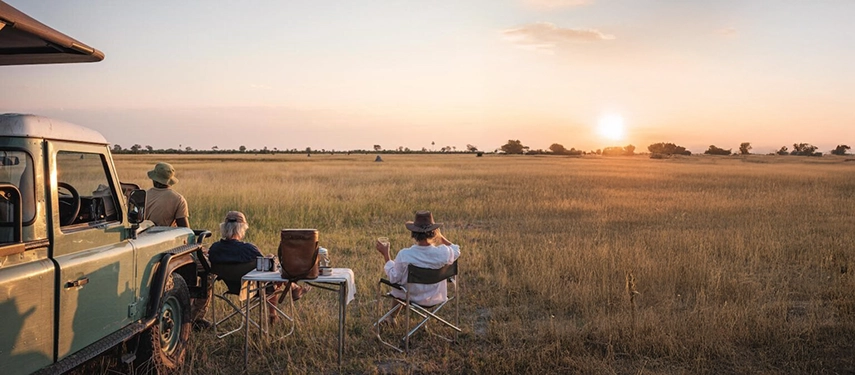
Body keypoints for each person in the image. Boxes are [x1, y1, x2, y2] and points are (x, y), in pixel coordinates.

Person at [208, 211, 308, 321]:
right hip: (254, 289)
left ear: (224, 228)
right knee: (271, 262)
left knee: (269, 267)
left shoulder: (214, 249)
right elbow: (266, 269)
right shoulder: (248, 249)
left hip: (232, 287)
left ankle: (293, 289)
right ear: (241, 229)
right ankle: (279, 307)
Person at [375, 210, 461, 307]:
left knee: (402, 284)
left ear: (413, 233)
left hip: (410, 297)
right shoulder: (444, 252)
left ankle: (391, 317)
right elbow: (456, 250)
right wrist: (440, 237)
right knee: (404, 281)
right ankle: (391, 317)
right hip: (435, 297)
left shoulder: (405, 255)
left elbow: (394, 278)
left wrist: (386, 255)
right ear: (434, 232)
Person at [144, 162, 189, 227]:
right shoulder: (178, 199)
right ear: (170, 180)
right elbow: (184, 229)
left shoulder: (143, 194)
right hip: (166, 236)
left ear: (154, 179)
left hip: (142, 236)